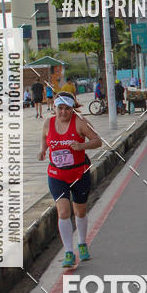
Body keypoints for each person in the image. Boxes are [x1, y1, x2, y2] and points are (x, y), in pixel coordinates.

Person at [38, 92, 102, 268]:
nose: (63, 112)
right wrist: (43, 150)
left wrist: (82, 145)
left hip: (79, 174)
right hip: (57, 175)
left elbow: (98, 141)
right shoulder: (48, 123)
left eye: (67, 108)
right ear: (55, 108)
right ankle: (68, 252)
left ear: (73, 109)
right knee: (64, 212)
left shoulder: (80, 123)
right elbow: (44, 137)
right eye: (60, 108)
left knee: (80, 211)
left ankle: (82, 243)